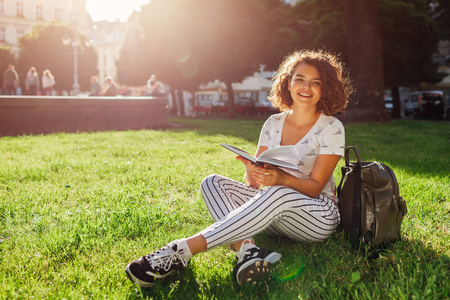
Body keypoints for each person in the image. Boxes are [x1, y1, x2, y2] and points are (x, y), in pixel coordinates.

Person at [125, 50, 352, 287]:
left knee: (278, 191)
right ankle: (248, 252)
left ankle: (180, 251)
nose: (307, 87)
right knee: (212, 182)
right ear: (288, 83)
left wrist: (281, 178)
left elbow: (316, 188)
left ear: (325, 88)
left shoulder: (331, 127)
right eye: (300, 79)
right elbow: (254, 185)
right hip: (272, 213)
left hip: (316, 216)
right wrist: (252, 170)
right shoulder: (273, 123)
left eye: (316, 82)